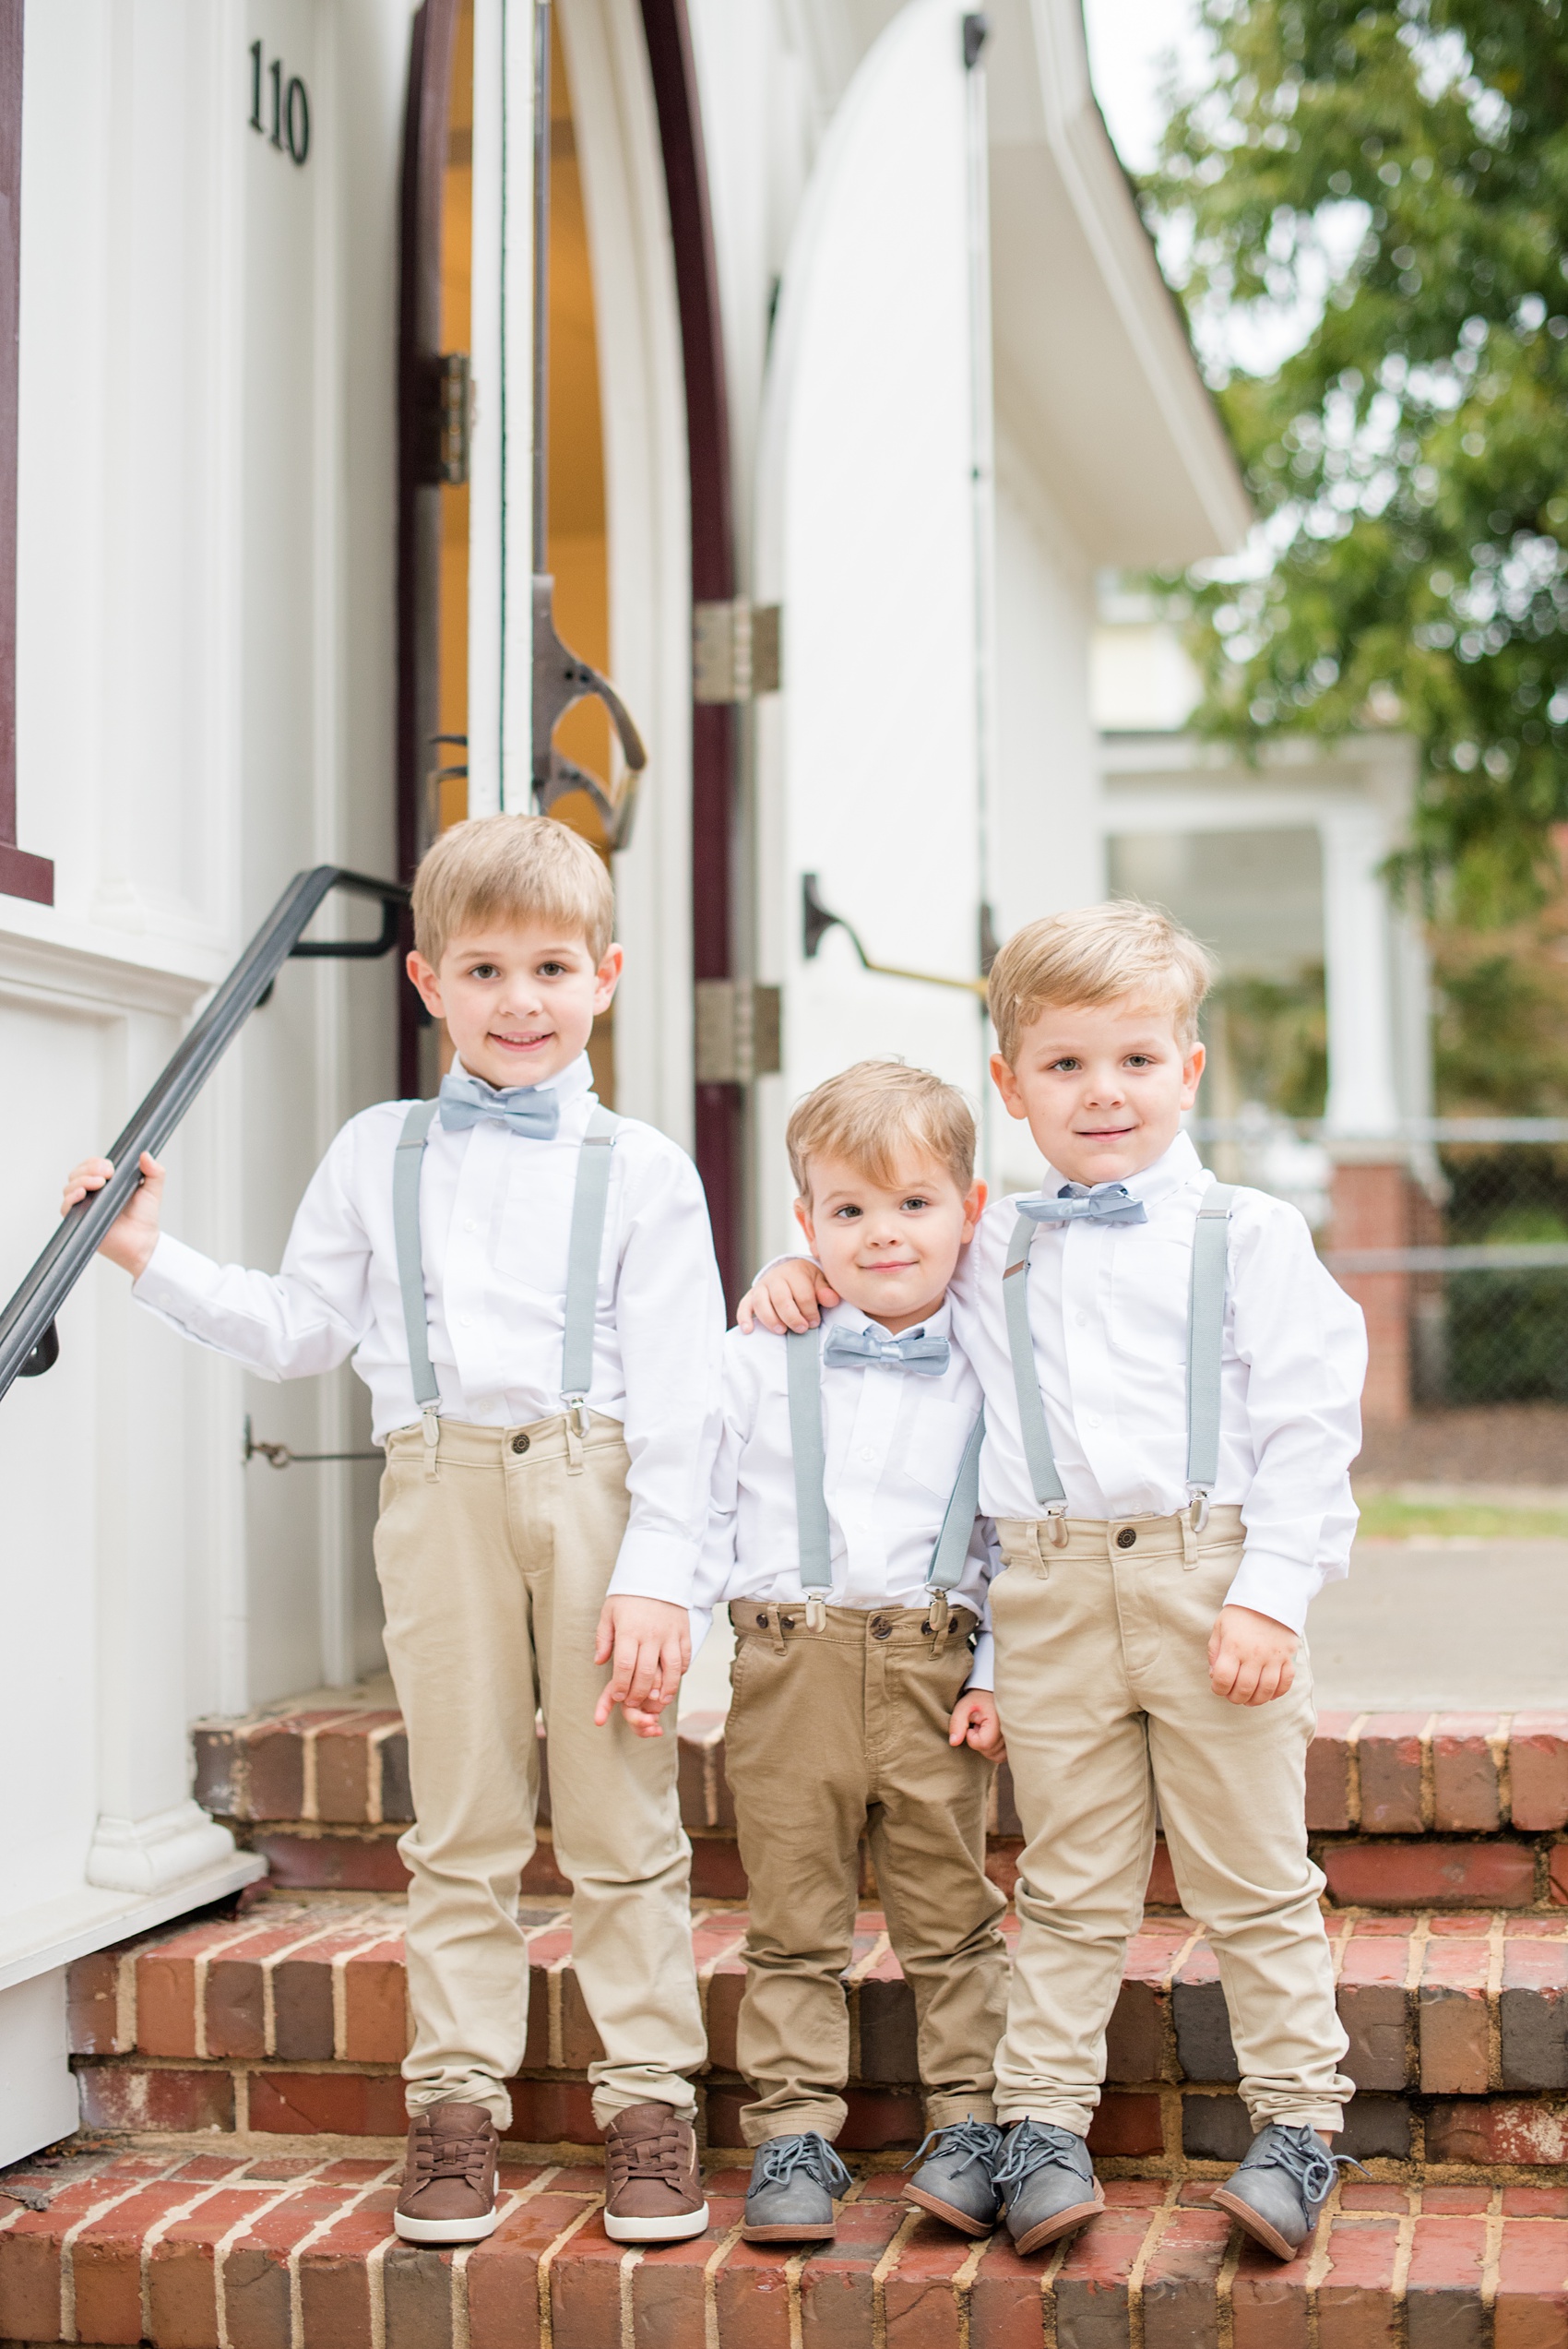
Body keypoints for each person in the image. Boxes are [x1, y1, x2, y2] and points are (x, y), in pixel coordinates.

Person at [62, 814, 726, 2249]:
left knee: (620, 1814)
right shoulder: (380, 1152)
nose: (520, 1000)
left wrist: (666, 1572)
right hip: (435, 1491)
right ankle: (454, 2109)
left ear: (606, 974)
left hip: (600, 1488)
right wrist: (146, 1253)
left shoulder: (646, 1167)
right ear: (427, 982)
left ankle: (650, 2103)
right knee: (465, 1819)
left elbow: (687, 1397)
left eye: (551, 966)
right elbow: (304, 1326)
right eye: (484, 969)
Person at [741, 902, 1367, 2264]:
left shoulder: (1247, 1236)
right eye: (1066, 1064)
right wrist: (801, 1273)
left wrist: (1273, 1590)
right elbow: (880, 1268)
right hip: (1047, 1593)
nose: (1103, 1092)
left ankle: (1301, 2125)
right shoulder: (988, 1241)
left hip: (1211, 1580)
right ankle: (1039, 2124)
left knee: (1251, 1874)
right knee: (1071, 1875)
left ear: (1188, 1070)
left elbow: (1315, 1431)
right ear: (1011, 1084)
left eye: (1136, 1059)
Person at [694, 1062, 1010, 2245]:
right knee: (791, 1915)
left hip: (936, 1661)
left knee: (951, 1910)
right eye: (848, 1211)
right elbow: (700, 1505)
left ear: (968, 1209)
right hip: (789, 1662)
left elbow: (1011, 1538)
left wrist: (994, 1676)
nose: (882, 1234)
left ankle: (971, 2121)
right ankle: (792, 2134)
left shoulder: (995, 1357)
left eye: (914, 1204)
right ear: (806, 1221)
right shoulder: (758, 1354)